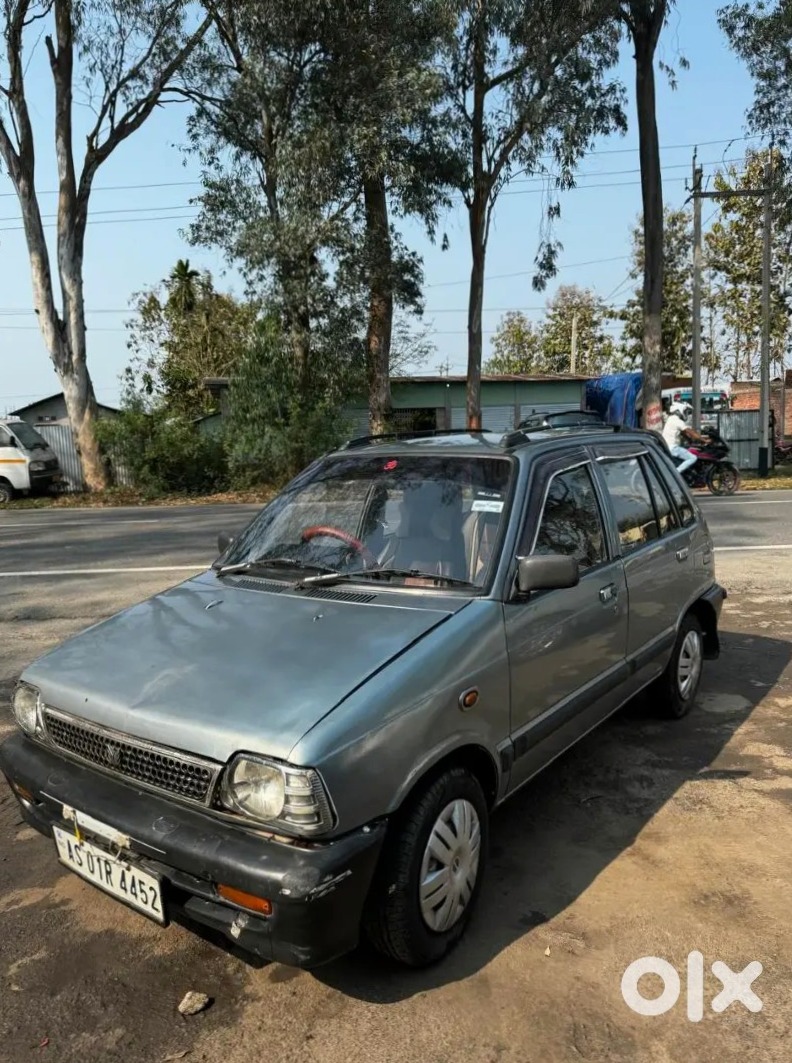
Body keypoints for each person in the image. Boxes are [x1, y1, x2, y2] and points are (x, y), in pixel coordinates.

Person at [662, 402, 706, 475]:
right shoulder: (677, 421)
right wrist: (704, 440)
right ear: (679, 410)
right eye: (685, 411)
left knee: (688, 449)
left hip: (668, 447)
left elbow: (684, 434)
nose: (686, 413)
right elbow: (690, 431)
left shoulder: (671, 419)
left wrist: (690, 441)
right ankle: (676, 473)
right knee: (693, 458)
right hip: (673, 448)